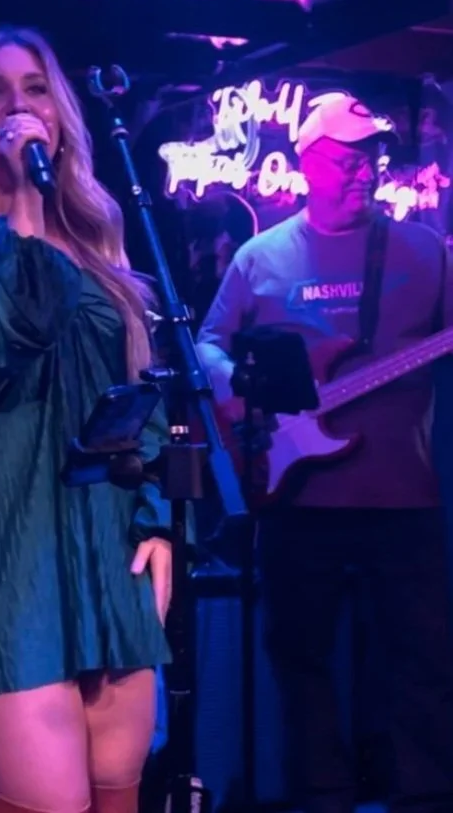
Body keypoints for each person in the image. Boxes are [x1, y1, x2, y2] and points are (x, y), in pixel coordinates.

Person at [0, 26, 172, 813]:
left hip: (105, 541)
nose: (18, 105)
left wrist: (154, 521)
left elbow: (136, 393)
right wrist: (22, 204)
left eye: (35, 88)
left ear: (59, 113)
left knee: (118, 794)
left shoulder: (96, 242)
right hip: (3, 550)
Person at [196, 94, 453, 813]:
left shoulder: (424, 249)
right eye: (347, 158)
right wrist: (235, 391)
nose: (364, 170)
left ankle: (426, 799)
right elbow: (208, 343)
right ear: (308, 161)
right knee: (299, 660)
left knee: (423, 662)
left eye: (371, 156)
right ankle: (320, 797)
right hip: (295, 496)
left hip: (404, 496)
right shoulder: (259, 257)